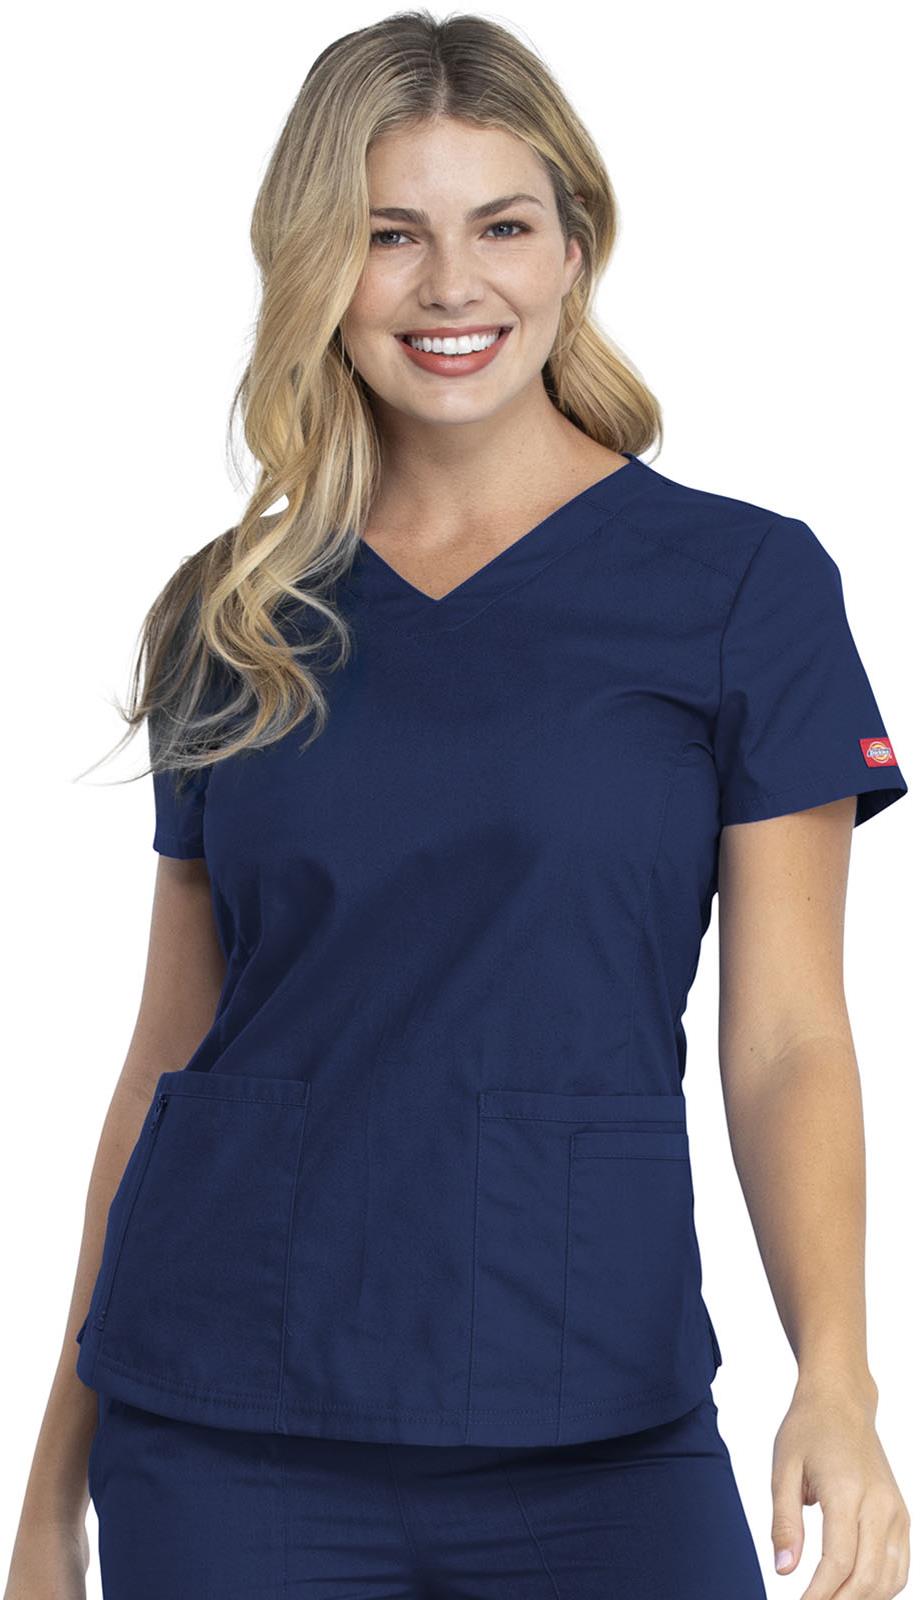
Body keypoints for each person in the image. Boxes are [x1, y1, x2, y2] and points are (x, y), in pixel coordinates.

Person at [3, 11, 912, 1600]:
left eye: (500, 227)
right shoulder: (234, 611)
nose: (449, 287)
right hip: (224, 1437)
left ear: (574, 251)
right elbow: (167, 1063)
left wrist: (836, 1378)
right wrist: (48, 1489)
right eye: (387, 235)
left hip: (600, 1421)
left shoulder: (741, 587)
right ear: (316, 268)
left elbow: (785, 1039)